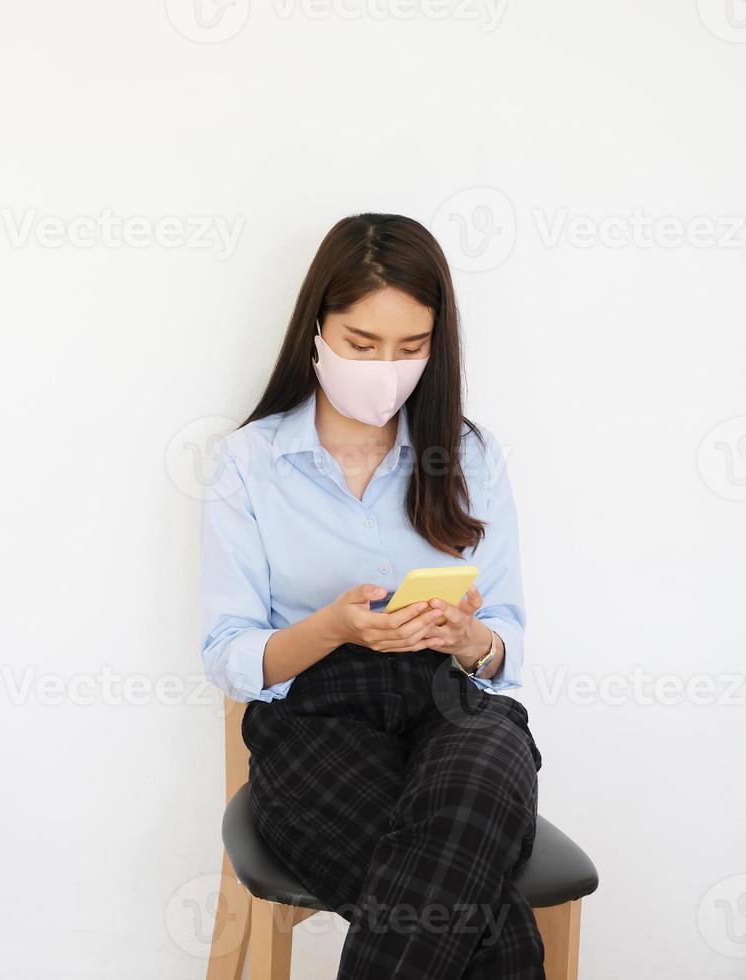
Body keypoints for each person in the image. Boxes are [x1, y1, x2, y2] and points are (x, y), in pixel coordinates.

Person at [200, 213, 544, 979]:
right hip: (313, 719)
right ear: (317, 330)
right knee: (489, 926)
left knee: (489, 756)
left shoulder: (469, 456)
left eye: (411, 348)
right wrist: (330, 628)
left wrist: (469, 641)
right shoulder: (250, 463)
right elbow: (227, 653)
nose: (385, 369)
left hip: (446, 703)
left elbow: (507, 639)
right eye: (361, 344)